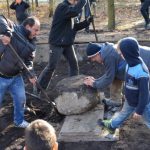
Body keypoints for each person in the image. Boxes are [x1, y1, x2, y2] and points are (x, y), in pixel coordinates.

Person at [97, 37, 150, 134]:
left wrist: (139, 111)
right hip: (130, 100)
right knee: (123, 114)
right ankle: (112, 126)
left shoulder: (141, 73)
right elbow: (127, 81)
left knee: (148, 121)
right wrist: (126, 93)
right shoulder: (128, 65)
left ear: (128, 54)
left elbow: (144, 94)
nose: (120, 55)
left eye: (121, 53)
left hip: (142, 104)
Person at [37, 0, 93, 91]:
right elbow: (75, 11)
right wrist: (83, 1)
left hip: (67, 43)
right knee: (51, 66)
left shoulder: (72, 10)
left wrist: (87, 22)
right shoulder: (62, 7)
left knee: (73, 65)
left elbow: (75, 27)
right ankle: (39, 88)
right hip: (57, 43)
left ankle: (72, 87)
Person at [0, 15, 40, 128]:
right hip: (1, 75)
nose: (37, 33)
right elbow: (1, 18)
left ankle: (19, 121)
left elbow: (28, 62)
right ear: (28, 26)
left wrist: (31, 74)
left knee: (21, 98)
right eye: (35, 30)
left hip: (16, 76)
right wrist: (7, 33)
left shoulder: (32, 44)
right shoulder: (14, 29)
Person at [84, 37, 150, 104]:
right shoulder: (106, 51)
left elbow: (109, 78)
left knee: (143, 89)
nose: (93, 60)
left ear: (97, 54)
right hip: (145, 58)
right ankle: (115, 100)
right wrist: (96, 81)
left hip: (148, 61)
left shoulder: (108, 56)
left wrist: (93, 84)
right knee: (116, 74)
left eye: (93, 58)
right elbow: (110, 73)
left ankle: (141, 107)